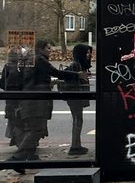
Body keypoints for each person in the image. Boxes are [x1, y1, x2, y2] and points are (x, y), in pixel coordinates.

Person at [9, 40, 87, 169]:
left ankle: (30, 157)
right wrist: (77, 75)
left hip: (31, 98)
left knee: (34, 129)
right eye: (48, 48)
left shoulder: (30, 60)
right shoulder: (39, 60)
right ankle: (17, 158)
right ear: (41, 48)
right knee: (35, 129)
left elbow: (31, 79)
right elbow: (56, 72)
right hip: (36, 100)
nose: (50, 50)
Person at [60, 43, 93, 155]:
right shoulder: (76, 65)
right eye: (86, 52)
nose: (88, 55)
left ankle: (76, 145)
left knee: (78, 120)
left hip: (76, 97)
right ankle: (75, 146)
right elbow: (73, 81)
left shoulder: (79, 65)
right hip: (76, 97)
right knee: (77, 120)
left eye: (89, 52)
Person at [0, 45, 29, 150]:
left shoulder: (7, 67)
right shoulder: (22, 68)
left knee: (14, 120)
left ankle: (16, 139)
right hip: (19, 98)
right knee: (20, 120)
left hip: (10, 98)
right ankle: (21, 144)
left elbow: (2, 84)